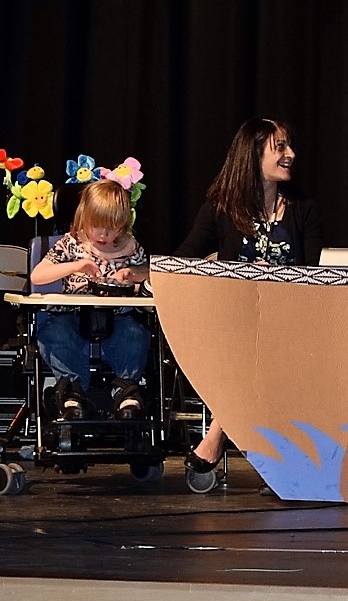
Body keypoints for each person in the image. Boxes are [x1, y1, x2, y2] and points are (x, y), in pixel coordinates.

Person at [175, 117, 323, 475]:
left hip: (291, 319)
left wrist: (273, 276)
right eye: (280, 147)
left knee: (273, 348)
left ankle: (217, 434)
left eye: (290, 146)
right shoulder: (221, 208)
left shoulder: (304, 208)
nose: (291, 154)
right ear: (253, 155)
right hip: (236, 319)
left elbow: (316, 272)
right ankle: (268, 457)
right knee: (247, 349)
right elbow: (184, 260)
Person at [31, 179, 151, 420]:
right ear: (84, 217)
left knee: (135, 334)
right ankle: (72, 392)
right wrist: (75, 266)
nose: (104, 234)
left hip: (117, 318)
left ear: (123, 224)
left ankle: (126, 390)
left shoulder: (131, 248)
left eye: (112, 228)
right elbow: (38, 276)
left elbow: (150, 272)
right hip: (72, 314)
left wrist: (132, 274)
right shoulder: (70, 244)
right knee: (54, 333)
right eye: (97, 226)